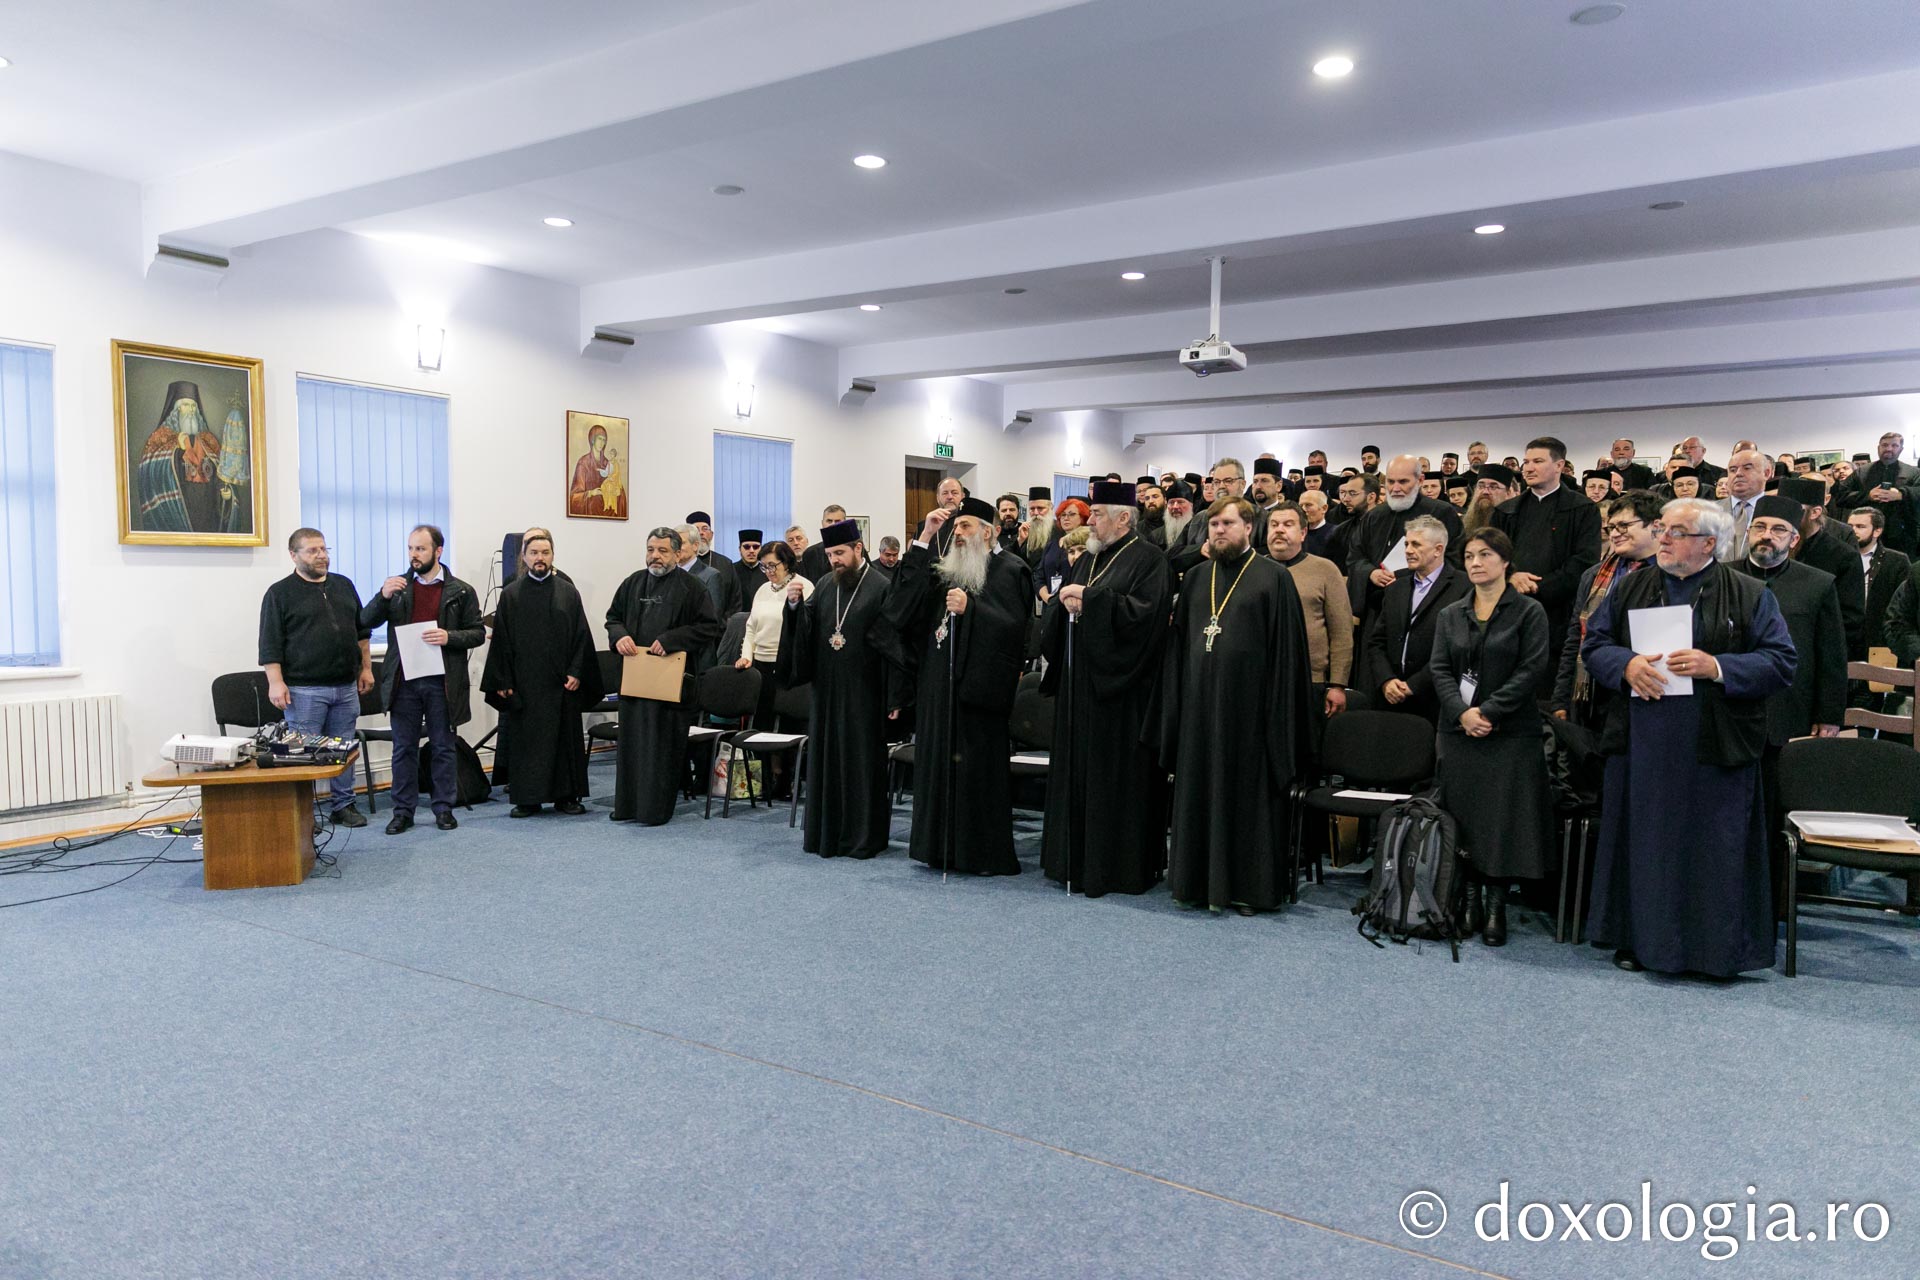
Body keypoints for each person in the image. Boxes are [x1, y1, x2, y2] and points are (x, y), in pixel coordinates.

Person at [1581, 499, 1795, 976]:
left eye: (1675, 532)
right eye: (1662, 529)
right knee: (1646, 845)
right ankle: (1639, 941)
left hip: (1714, 745)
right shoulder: (1630, 586)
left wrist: (1716, 666)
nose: (1663, 539)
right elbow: (1594, 645)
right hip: (1643, 740)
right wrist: (1626, 665)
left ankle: (1711, 952)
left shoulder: (1750, 593)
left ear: (1708, 544)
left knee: (1711, 851)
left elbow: (1781, 662)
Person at [1157, 496, 1315, 915]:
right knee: (1198, 792)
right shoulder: (1194, 578)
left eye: (1227, 523)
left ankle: (1248, 889)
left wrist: (1275, 714)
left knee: (1247, 799)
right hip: (1199, 711)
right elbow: (1179, 649)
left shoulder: (1273, 577)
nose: (1218, 531)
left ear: (1249, 528)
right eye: (1213, 525)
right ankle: (1194, 884)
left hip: (1251, 715)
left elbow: (1286, 655)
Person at [884, 497, 1033, 875]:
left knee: (975, 776)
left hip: (978, 695)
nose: (959, 533)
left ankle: (979, 855)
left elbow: (1019, 633)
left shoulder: (1011, 569)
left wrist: (974, 610)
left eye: (966, 526)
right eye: (956, 527)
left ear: (989, 531)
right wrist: (924, 539)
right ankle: (938, 848)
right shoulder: (946, 569)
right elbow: (901, 608)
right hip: (938, 687)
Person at [1040, 482, 1171, 896]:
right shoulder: (1089, 559)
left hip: (1122, 694)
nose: (1089, 521)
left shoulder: (1150, 560)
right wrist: (1067, 602)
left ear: (1124, 518)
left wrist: (1092, 600)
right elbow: (1066, 607)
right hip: (1080, 688)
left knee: (1116, 783)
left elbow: (1146, 618)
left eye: (1097, 514)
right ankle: (1072, 859)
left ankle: (1116, 869)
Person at [1429, 528, 1554, 946]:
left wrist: (1489, 711)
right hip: (1459, 731)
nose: (1476, 562)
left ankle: (1497, 906)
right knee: (1463, 817)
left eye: (1485, 555)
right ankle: (1468, 901)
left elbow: (1532, 669)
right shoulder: (1451, 614)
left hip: (1510, 733)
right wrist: (1463, 713)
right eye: (1468, 556)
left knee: (1502, 821)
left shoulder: (1528, 611)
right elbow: (1440, 670)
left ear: (1505, 561)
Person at [779, 519, 901, 857]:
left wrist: (894, 694)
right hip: (828, 692)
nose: (834, 560)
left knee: (861, 763)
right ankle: (826, 835)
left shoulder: (880, 586)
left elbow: (893, 644)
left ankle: (862, 838)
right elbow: (808, 631)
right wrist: (793, 607)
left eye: (840, 553)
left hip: (865, 692)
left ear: (858, 549)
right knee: (827, 761)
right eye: (831, 554)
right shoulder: (824, 584)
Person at [360, 524, 486, 834]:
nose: (414, 555)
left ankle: (443, 808)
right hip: (405, 681)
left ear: (438, 551)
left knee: (443, 746)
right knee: (404, 748)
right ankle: (403, 811)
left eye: (421, 549)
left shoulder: (460, 591)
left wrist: (449, 636)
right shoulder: (399, 588)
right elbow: (364, 621)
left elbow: (478, 633)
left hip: (443, 681)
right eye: (411, 549)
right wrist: (382, 596)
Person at [479, 528, 602, 818]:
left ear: (552, 556)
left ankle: (566, 798)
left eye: (545, 552)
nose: (540, 558)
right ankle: (527, 799)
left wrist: (576, 672)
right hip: (525, 685)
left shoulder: (568, 592)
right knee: (527, 743)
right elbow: (502, 642)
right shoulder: (510, 595)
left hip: (561, 685)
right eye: (534, 552)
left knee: (564, 743)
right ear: (523, 556)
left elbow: (581, 636)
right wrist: (504, 681)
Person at [606, 527, 722, 826]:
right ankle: (628, 807)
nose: (655, 556)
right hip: (635, 679)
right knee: (631, 745)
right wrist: (619, 637)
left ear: (677, 553)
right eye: (650, 550)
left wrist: (672, 639)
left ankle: (654, 810)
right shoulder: (632, 583)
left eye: (662, 551)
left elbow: (709, 626)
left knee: (661, 748)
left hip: (672, 682)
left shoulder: (692, 587)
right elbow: (613, 618)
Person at [259, 527, 374, 827]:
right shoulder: (279, 593)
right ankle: (304, 813)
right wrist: (275, 681)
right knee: (305, 753)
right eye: (313, 550)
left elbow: (361, 633)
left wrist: (366, 668)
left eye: (324, 549)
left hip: (345, 686)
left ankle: (343, 805)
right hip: (304, 690)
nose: (321, 555)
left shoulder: (344, 586)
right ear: (294, 555)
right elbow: (270, 643)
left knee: (344, 748)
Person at [1491, 437, 1601, 698]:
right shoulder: (1506, 511)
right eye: (1526, 462)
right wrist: (1511, 577)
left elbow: (1583, 563)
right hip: (1509, 610)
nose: (1527, 468)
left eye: (1537, 461)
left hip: (1558, 616)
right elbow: (1492, 556)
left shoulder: (1582, 509)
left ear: (1559, 465)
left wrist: (1537, 587)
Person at [1552, 491, 1660, 729]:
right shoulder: (1594, 575)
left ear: (1655, 526)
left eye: (1624, 525)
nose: (1615, 533)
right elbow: (1575, 638)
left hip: (1648, 693)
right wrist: (1561, 697)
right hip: (1592, 695)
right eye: (1611, 527)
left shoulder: (1671, 575)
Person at [1344, 454, 1463, 645]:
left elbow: (1455, 559)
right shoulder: (1374, 516)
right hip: (1378, 610)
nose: (1395, 488)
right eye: (1391, 482)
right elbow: (1355, 558)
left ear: (1420, 480)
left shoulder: (1441, 512)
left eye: (1403, 482)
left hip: (1425, 609)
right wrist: (1371, 573)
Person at [1360, 516, 1467, 725]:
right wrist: (1386, 680)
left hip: (1435, 700)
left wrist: (1414, 685)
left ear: (1438, 549)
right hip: (1389, 697)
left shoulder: (1463, 588)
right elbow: (1377, 641)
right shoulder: (1396, 586)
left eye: (1416, 544)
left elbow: (1457, 648)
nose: (1408, 550)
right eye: (1406, 544)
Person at [736, 539, 812, 799]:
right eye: (763, 566)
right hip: (761, 666)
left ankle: (788, 780)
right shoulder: (762, 590)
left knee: (790, 726)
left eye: (772, 565)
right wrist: (746, 656)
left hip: (789, 667)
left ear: (787, 562)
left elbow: (804, 630)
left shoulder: (803, 586)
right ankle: (767, 778)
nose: (768, 571)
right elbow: (750, 628)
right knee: (763, 725)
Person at [1267, 502, 1352, 721]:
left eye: (1288, 524)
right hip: (1261, 678)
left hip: (1310, 680)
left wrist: (1337, 684)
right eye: (1274, 524)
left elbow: (1341, 631)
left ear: (1303, 532)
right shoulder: (1254, 569)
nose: (1279, 530)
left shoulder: (1325, 570)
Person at [1770, 476, 1864, 660]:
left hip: (1818, 653)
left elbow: (1850, 619)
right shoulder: (1773, 548)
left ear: (1815, 512)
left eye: (1794, 509)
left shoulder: (1843, 556)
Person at [136, 381, 227, 534]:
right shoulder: (160, 438)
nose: (190, 411)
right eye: (185, 405)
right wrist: (177, 452)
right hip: (178, 511)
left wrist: (226, 494)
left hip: (207, 514)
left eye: (193, 406)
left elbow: (221, 476)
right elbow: (149, 475)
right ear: (175, 410)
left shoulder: (208, 440)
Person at [1834, 432, 1920, 556]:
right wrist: (1868, 496)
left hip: (1903, 536)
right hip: (1865, 536)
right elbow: (1840, 496)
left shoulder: (1913, 472)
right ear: (1878, 448)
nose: (1889, 449)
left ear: (1901, 449)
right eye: (1885, 445)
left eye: (1894, 445)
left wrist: (1902, 494)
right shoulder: (1861, 472)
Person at [1850, 506, 1910, 653]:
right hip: (1846, 638)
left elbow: (1903, 606)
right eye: (1850, 526)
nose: (1853, 531)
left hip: (1880, 640)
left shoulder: (1897, 561)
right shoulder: (1838, 557)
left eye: (1860, 526)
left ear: (1877, 530)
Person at [677, 523, 739, 636]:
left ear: (695, 545)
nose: (676, 548)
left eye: (681, 543)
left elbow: (711, 620)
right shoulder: (671, 574)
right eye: (674, 544)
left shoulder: (711, 576)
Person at [1721, 447, 1769, 555]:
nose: (1738, 474)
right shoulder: (1710, 511)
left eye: (1747, 468)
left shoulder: (1779, 511)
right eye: (1732, 470)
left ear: (1766, 473)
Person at [1037, 497, 1088, 599]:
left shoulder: (1087, 544)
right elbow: (1039, 575)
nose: (1066, 518)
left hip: (1075, 601)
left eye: (1071, 514)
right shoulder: (1052, 544)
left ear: (1083, 517)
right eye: (1063, 515)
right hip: (1050, 603)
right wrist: (1047, 597)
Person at [568, 426, 624, 518]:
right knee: (595, 500)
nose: (601, 443)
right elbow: (574, 497)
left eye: (604, 440)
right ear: (592, 440)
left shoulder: (608, 463)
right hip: (591, 507)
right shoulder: (583, 462)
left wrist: (618, 491)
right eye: (599, 439)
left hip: (608, 502)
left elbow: (616, 480)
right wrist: (591, 493)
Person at [798, 504, 848, 582]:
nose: (833, 524)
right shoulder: (810, 554)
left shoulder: (854, 550)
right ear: (822, 523)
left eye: (837, 521)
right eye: (829, 521)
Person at [929, 476, 967, 557]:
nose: (950, 497)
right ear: (938, 498)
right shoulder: (925, 526)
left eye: (954, 493)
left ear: (963, 496)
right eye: (945, 493)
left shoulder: (968, 525)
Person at [733, 529, 768, 606]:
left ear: (761, 549)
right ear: (740, 549)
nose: (751, 551)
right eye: (746, 547)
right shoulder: (731, 570)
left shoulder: (768, 572)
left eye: (755, 547)